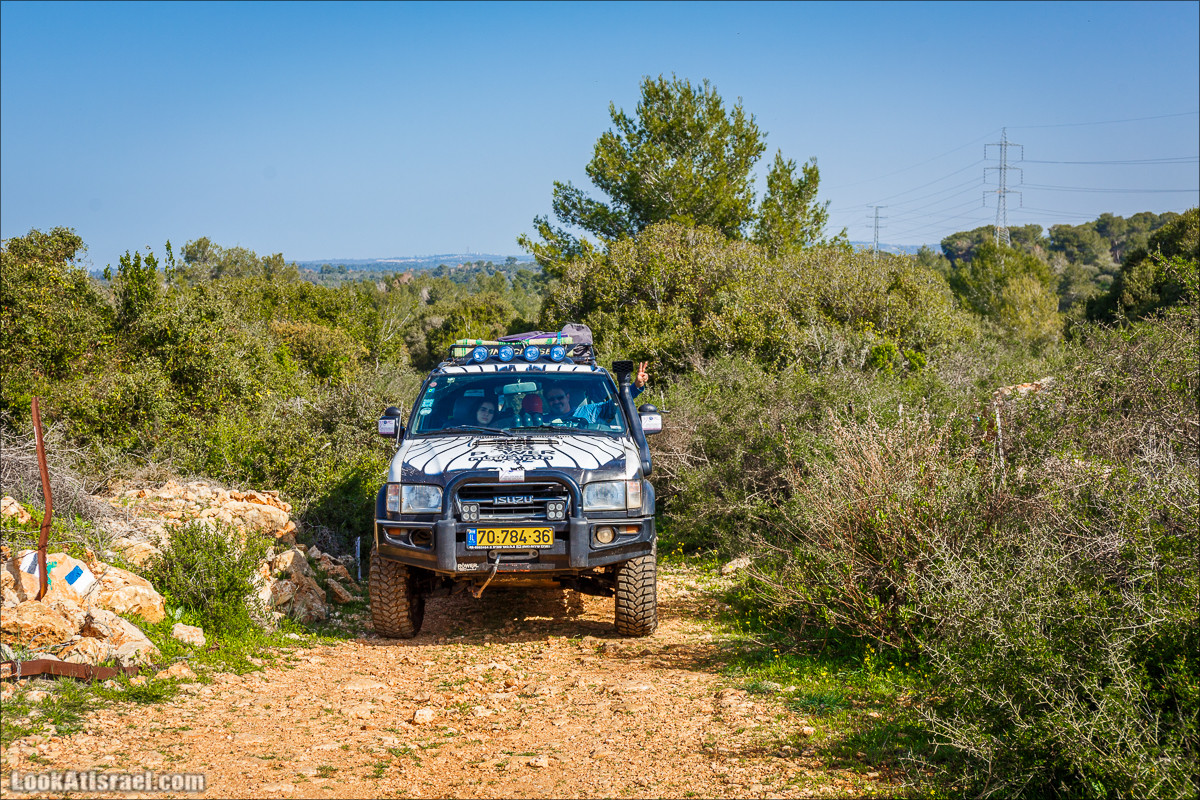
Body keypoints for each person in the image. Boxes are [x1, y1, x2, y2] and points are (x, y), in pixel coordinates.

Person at [544, 361, 650, 424]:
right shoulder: (541, 422)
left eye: (559, 397)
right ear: (547, 402)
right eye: (552, 399)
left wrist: (635, 386)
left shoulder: (589, 411)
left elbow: (617, 402)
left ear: (567, 397)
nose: (556, 401)